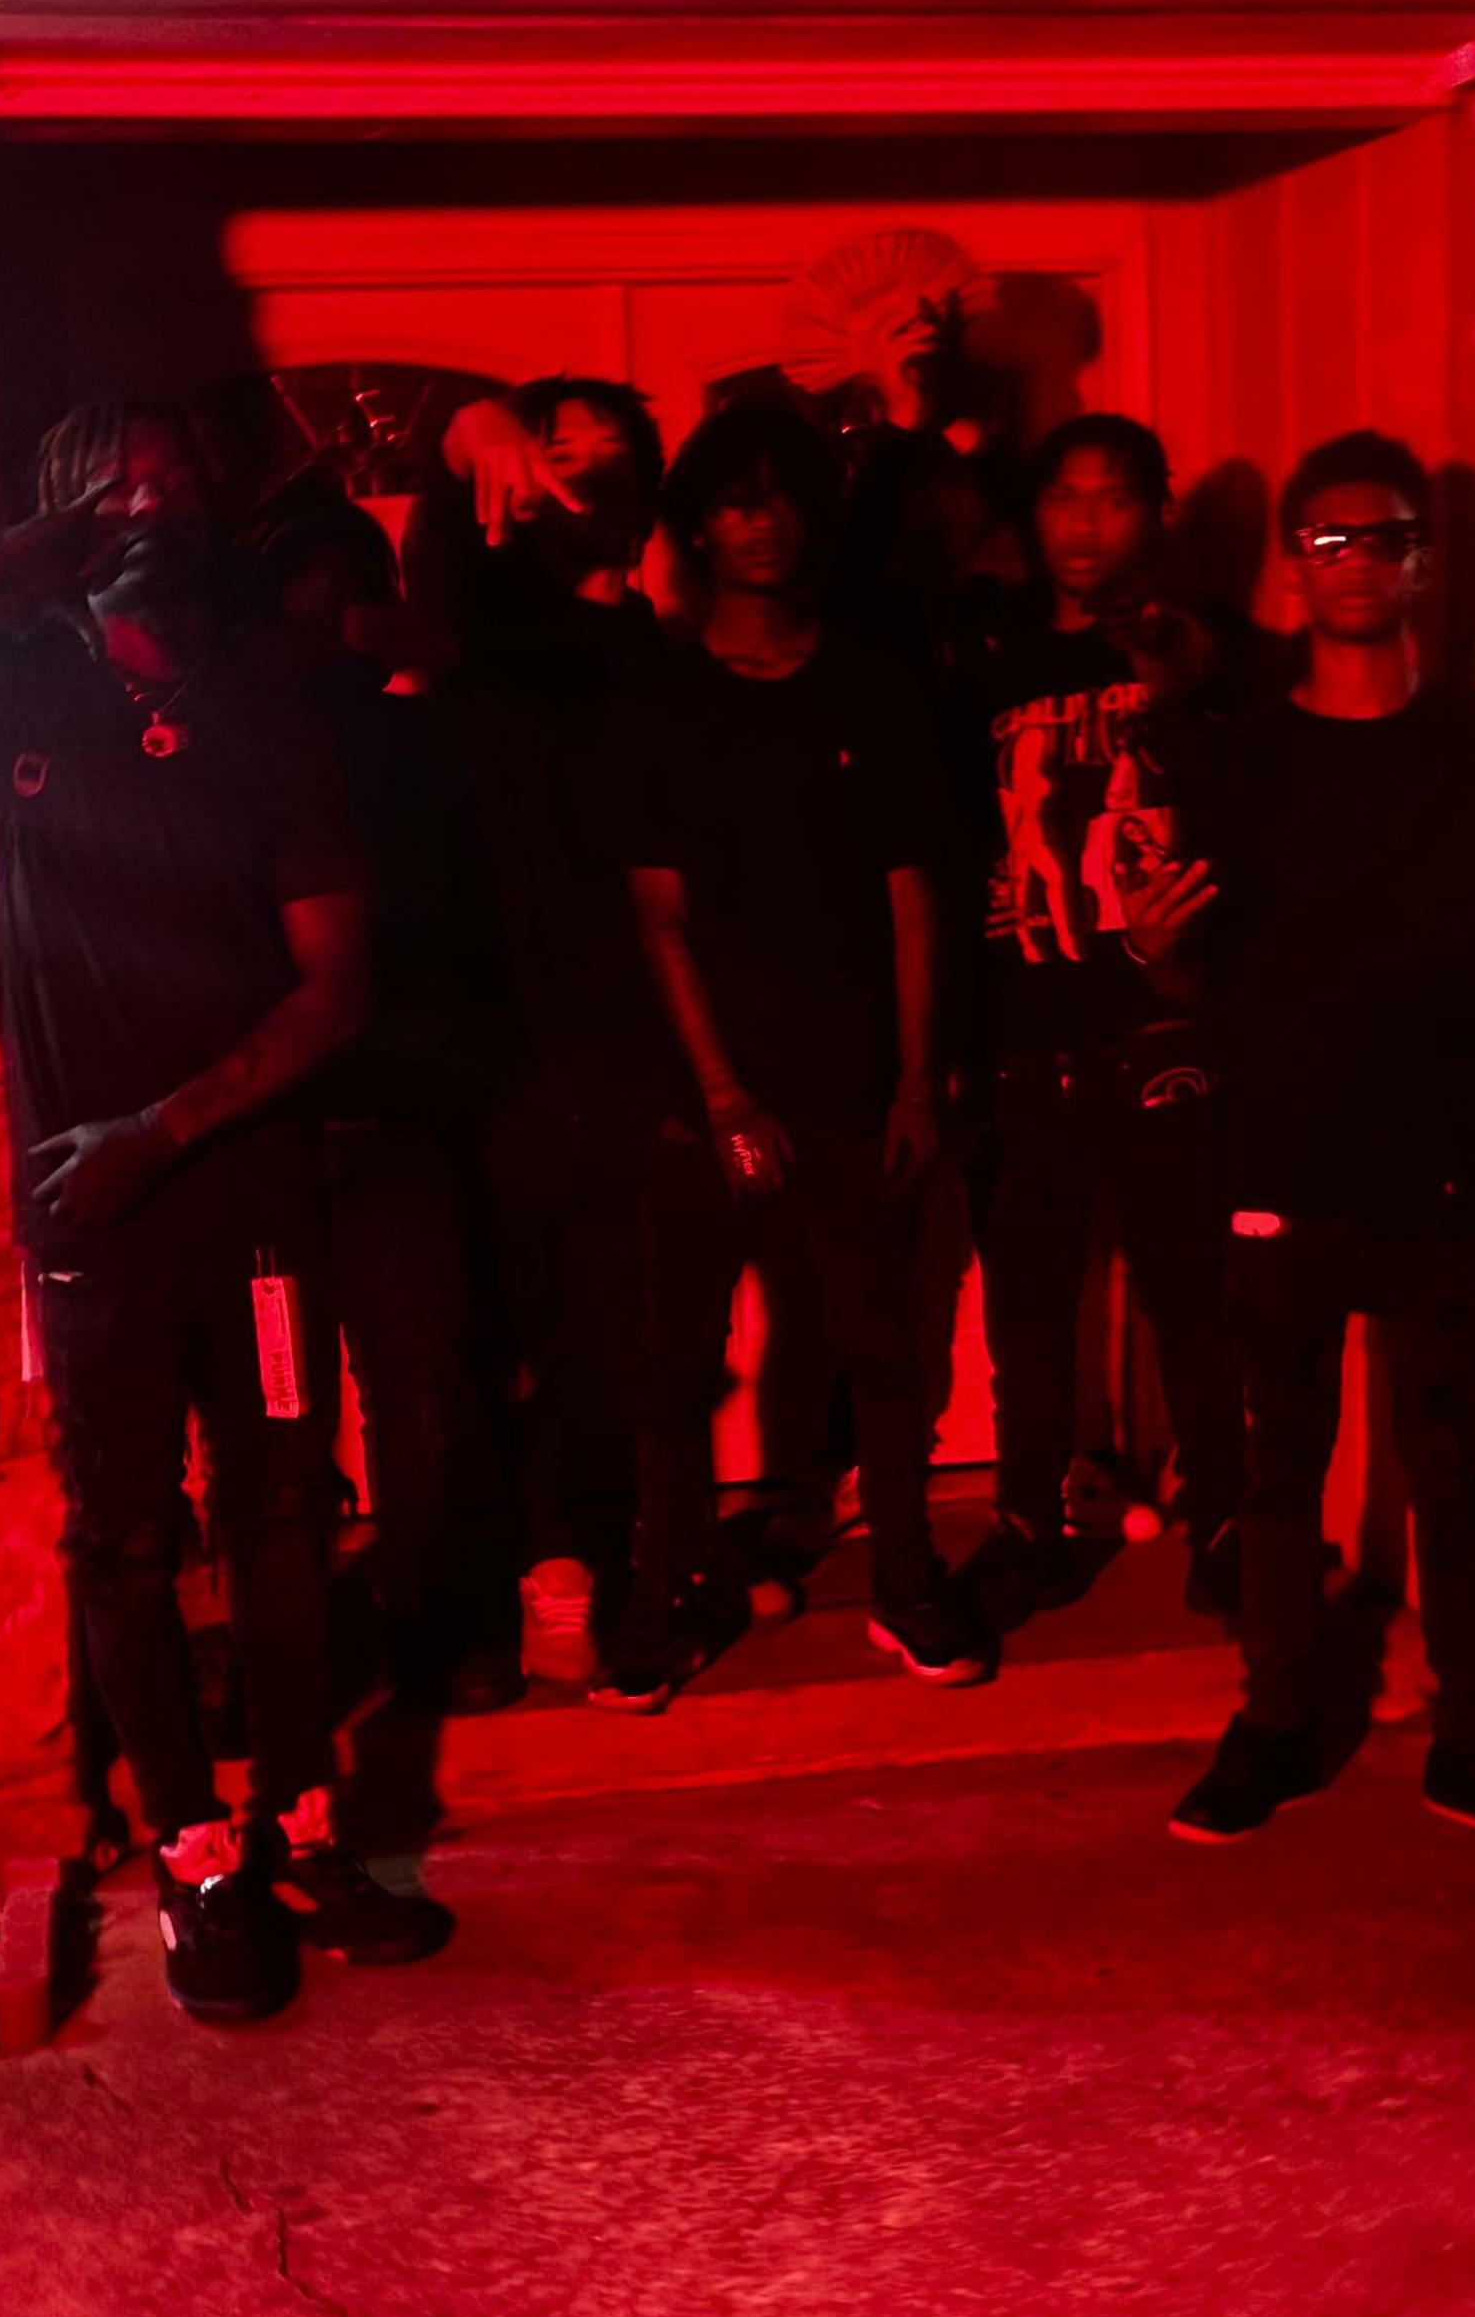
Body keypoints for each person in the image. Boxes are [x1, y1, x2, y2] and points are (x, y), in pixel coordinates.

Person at [0, 398, 451, 2023]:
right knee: (121, 1534)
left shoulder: (266, 710)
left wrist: (164, 1127)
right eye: (113, 481)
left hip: (249, 1194)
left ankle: (299, 1824)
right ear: (59, 513)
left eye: (175, 474)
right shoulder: (9, 683)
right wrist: (3, 562)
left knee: (281, 1511)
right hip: (88, 1214)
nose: (150, 497)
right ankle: (194, 1856)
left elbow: (335, 988)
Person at [1133, 427, 1475, 1863]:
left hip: (1443, 1157)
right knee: (1276, 1467)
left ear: (1430, 564)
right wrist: (1152, 954)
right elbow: (1199, 975)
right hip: (1276, 1156)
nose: (1359, 562)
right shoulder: (1230, 758)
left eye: (1390, 538)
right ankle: (1277, 1720)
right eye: (1331, 539)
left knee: (1470, 1467)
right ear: (1292, 567)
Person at [595, 399, 990, 1708]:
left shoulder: (871, 686)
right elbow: (656, 913)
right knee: (675, 1364)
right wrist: (721, 1094)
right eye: (736, 498)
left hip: (850, 1074)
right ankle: (659, 1602)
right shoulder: (658, 698)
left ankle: (907, 1589)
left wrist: (916, 1081)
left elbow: (915, 892)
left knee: (880, 1347)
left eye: (781, 496)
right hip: (696, 1086)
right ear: (698, 525)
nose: (761, 521)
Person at [960, 414, 1246, 1638]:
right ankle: (1028, 1523)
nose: (1084, 522)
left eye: (1113, 496)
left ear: (1156, 513)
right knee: (1029, 1306)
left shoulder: (1200, 653)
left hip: (1164, 1026)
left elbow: (1256, 811)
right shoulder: (994, 664)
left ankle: (1225, 1523)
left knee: (1194, 1295)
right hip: (1031, 1028)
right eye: (1063, 496)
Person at [422, 377, 689, 1683]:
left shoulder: (661, 652)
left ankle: (627, 1555)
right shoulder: (493, 630)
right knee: (514, 1315)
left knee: (625, 1316)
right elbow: (449, 514)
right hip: (501, 1018)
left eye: (607, 450)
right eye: (557, 449)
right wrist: (476, 426)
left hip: (639, 1021)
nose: (580, 469)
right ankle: (544, 1564)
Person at [245, 487, 523, 1717]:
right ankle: (309, 1638)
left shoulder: (423, 742)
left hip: (396, 1114)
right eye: (319, 595)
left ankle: (423, 1620)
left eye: (361, 591)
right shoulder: (235, 747)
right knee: (282, 1408)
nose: (345, 617)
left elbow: (474, 918)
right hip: (274, 1126)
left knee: (417, 1387)